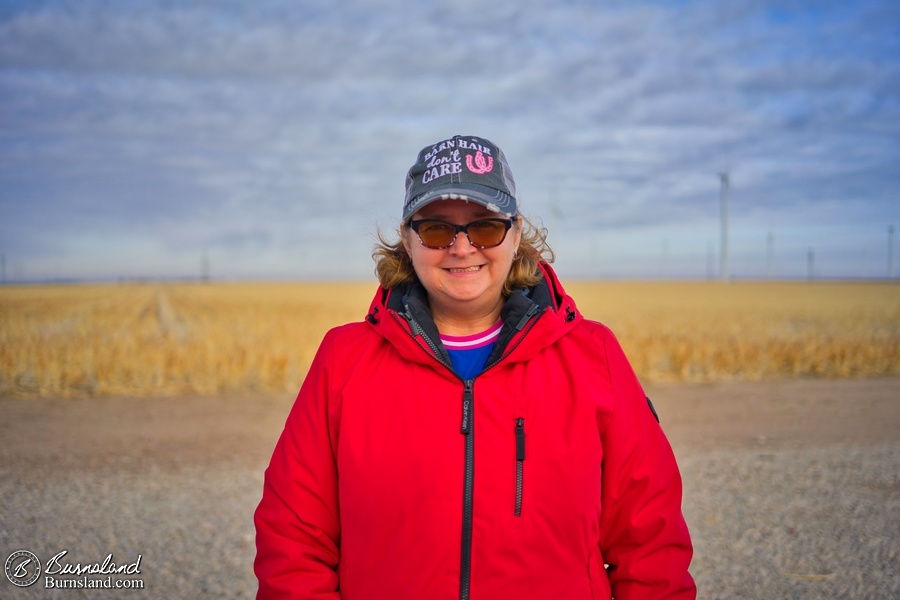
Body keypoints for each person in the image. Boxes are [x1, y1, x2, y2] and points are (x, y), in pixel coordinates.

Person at [254, 135, 696, 599]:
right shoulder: (343, 360)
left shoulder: (593, 356)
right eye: (437, 230)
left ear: (517, 232)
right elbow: (293, 536)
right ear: (408, 238)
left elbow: (650, 541)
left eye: (485, 228)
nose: (462, 248)